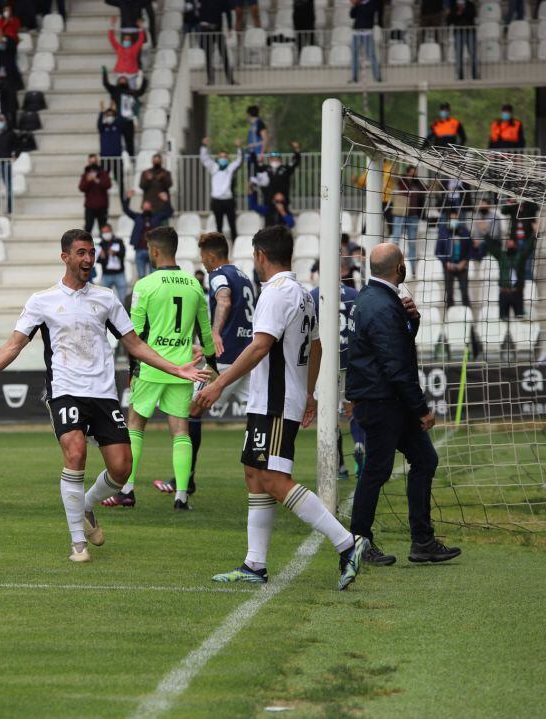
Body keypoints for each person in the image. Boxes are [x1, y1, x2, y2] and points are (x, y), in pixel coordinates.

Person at [0, 229, 208, 561]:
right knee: (75, 453)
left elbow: (135, 345)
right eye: (82, 253)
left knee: (122, 469)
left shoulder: (106, 298)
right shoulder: (41, 301)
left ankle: (85, 506)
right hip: (65, 391)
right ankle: (78, 544)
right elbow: (14, 344)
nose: (88, 259)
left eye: (91, 252)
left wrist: (176, 369)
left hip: (102, 394)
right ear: (66, 257)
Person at [195, 226, 370, 589]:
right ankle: (254, 564)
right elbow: (318, 346)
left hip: (274, 400)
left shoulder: (276, 293)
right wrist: (309, 394)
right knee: (254, 474)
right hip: (276, 398)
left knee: (274, 479)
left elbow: (260, 346)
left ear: (260, 255)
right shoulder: (304, 294)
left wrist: (219, 384)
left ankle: (347, 542)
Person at [345, 243, 460, 565]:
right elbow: (396, 364)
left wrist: (413, 320)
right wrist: (421, 408)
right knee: (376, 472)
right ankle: (359, 542)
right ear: (399, 268)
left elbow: (394, 347)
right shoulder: (383, 305)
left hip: (382, 399)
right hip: (384, 402)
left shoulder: (370, 299)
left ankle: (422, 540)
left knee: (424, 460)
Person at [111, 227, 216, 511]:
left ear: (154, 251)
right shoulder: (194, 285)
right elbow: (205, 333)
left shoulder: (145, 285)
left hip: (152, 366)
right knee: (181, 430)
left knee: (135, 425)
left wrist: (133, 371)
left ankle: (128, 490)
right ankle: (181, 496)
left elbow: (133, 335)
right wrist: (212, 365)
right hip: (185, 368)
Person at [169, 232, 254, 499]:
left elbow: (224, 300)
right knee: (259, 412)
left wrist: (215, 332)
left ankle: (185, 481)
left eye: (203, 258)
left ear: (210, 255)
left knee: (190, 411)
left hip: (226, 359)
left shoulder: (218, 274)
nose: (202, 263)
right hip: (248, 356)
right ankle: (265, 470)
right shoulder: (243, 275)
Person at [311, 259, 365, 480]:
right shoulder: (355, 293)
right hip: (351, 360)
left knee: (328, 414)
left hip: (326, 363)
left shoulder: (313, 295)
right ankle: (360, 446)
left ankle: (338, 466)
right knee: (353, 410)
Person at [486, 208, 536, 319]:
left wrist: (534, 234)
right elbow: (491, 247)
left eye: (511, 242)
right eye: (507, 242)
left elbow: (529, 247)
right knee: (503, 319)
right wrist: (486, 234)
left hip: (517, 292)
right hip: (504, 293)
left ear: (515, 244)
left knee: (520, 318)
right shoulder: (502, 256)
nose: (509, 244)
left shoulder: (520, 256)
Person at [122, 189, 173, 279]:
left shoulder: (157, 217)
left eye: (148, 206)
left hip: (153, 250)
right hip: (139, 249)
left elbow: (169, 212)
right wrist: (128, 198)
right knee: (141, 276)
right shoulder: (138, 217)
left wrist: (166, 201)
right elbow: (126, 210)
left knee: (153, 276)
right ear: (142, 207)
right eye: (144, 206)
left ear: (151, 207)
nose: (146, 208)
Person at [199, 137, 243, 241]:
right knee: (219, 226)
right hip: (216, 200)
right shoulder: (213, 167)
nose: (223, 159)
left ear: (228, 159)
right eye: (220, 157)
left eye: (225, 157)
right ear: (217, 159)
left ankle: (235, 244)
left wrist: (239, 147)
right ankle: (219, 247)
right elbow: (204, 158)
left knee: (232, 224)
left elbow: (239, 160)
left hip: (228, 200)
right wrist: (204, 145)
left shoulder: (230, 168)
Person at [101, 68, 146, 157]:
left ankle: (131, 159)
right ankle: (118, 160)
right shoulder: (114, 90)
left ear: (127, 82)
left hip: (128, 120)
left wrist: (144, 80)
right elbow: (106, 83)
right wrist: (105, 73)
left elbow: (141, 91)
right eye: (120, 79)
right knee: (115, 141)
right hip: (117, 120)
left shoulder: (131, 92)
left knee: (129, 141)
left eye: (124, 79)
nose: (122, 81)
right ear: (118, 82)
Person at [390, 165, 427, 267]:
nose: (414, 173)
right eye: (412, 171)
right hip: (400, 214)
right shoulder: (402, 180)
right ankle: (392, 263)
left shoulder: (418, 182)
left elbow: (426, 189)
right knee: (396, 239)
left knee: (412, 242)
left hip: (413, 216)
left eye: (415, 171)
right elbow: (393, 175)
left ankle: (412, 267)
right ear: (407, 172)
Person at [437, 216, 473, 308]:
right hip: (448, 267)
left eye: (456, 218)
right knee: (449, 294)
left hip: (462, 266)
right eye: (452, 218)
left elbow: (470, 250)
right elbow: (438, 251)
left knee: (465, 292)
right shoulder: (443, 233)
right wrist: (446, 263)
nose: (454, 220)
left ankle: (468, 314)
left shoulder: (465, 232)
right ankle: (449, 314)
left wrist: (464, 261)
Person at [107, 17, 145, 89]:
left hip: (131, 75)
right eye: (125, 40)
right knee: (119, 93)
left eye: (128, 40)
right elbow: (111, 38)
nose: (126, 41)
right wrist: (112, 25)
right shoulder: (119, 48)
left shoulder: (134, 49)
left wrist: (141, 28)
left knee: (131, 93)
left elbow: (141, 40)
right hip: (119, 74)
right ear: (123, 41)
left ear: (130, 42)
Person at [79, 155, 112, 236]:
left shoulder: (103, 173)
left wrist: (97, 180)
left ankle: (104, 246)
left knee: (103, 227)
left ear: (97, 162)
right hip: (90, 206)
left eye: (94, 162)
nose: (93, 164)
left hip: (102, 206)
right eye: (91, 162)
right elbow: (81, 188)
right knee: (88, 228)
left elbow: (108, 185)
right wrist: (88, 181)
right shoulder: (86, 175)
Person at [349, 0, 381, 83]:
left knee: (371, 54)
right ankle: (354, 77)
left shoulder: (372, 3)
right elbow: (352, 15)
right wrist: (355, 5)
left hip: (367, 32)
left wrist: (362, 4)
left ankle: (377, 76)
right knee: (355, 55)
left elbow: (370, 12)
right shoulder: (358, 4)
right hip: (356, 32)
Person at [96, 224, 128, 304]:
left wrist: (115, 253)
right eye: (104, 232)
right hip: (106, 275)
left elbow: (123, 254)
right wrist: (102, 257)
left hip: (119, 274)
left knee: (122, 299)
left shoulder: (119, 241)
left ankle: (123, 315)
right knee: (104, 299)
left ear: (111, 231)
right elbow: (97, 260)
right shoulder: (101, 244)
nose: (106, 234)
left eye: (107, 231)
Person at [448, 0, 478, 81]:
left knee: (473, 53)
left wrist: (462, 12)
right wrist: (457, 14)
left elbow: (473, 15)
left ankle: (475, 74)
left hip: (470, 32)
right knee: (458, 54)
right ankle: (460, 75)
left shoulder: (470, 4)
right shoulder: (453, 5)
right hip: (458, 33)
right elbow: (449, 19)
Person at [96, 105, 125, 188]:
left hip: (117, 157)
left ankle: (124, 200)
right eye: (108, 115)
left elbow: (121, 122)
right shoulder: (103, 128)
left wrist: (116, 111)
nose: (109, 117)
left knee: (120, 180)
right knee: (102, 180)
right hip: (105, 158)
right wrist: (101, 112)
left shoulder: (117, 127)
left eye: (111, 115)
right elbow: (99, 124)